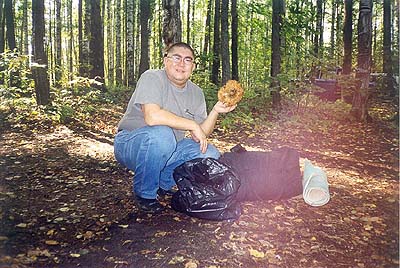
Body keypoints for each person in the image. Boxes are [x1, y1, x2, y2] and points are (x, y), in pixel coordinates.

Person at [114, 42, 237, 213]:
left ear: (193, 66)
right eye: (176, 57)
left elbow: (200, 134)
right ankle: (145, 193)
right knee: (162, 135)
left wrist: (215, 110)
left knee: (208, 153)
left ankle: (163, 184)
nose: (181, 63)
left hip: (168, 149)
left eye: (188, 60)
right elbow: (152, 116)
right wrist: (192, 124)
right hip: (131, 143)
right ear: (165, 60)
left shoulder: (196, 92)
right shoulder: (152, 77)